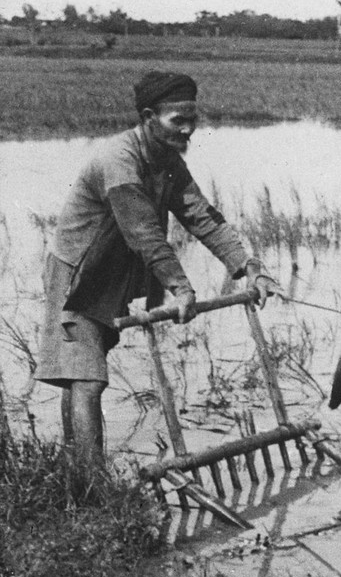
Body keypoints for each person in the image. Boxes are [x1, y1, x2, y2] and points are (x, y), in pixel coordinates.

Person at [35, 71, 283, 471]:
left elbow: (202, 217)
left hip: (111, 273)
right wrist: (181, 289)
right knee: (87, 377)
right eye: (177, 121)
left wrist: (249, 267)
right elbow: (145, 234)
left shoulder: (167, 160)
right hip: (77, 274)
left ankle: (75, 464)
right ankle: (92, 483)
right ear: (149, 116)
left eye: (192, 119)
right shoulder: (118, 162)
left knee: (83, 370)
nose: (188, 129)